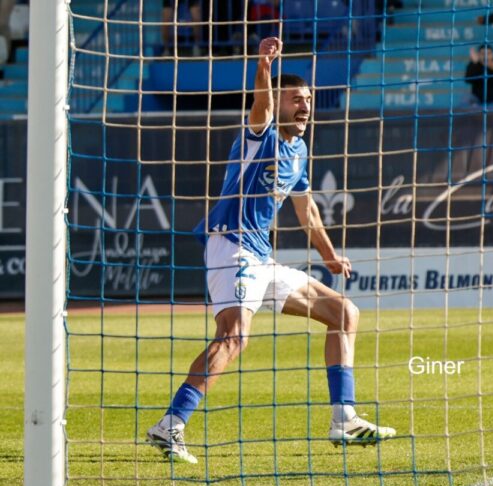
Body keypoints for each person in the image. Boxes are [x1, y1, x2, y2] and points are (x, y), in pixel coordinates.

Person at [146, 37, 396, 464]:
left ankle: (344, 418)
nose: (305, 107)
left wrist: (329, 256)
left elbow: (308, 210)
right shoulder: (259, 137)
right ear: (277, 102)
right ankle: (170, 425)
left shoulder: (299, 151)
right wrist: (264, 65)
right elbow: (260, 103)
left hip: (261, 257)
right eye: (296, 99)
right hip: (231, 246)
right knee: (234, 337)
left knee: (343, 313)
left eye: (309, 100)